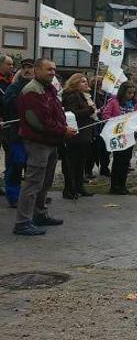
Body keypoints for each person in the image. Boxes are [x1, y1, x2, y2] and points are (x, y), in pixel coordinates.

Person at [13, 58, 76, 236]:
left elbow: (55, 113)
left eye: (54, 70)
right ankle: (22, 222)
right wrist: (63, 130)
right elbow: (38, 122)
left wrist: (62, 129)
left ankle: (39, 214)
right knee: (33, 183)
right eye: (48, 69)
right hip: (38, 143)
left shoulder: (48, 89)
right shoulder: (32, 91)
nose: (52, 72)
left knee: (45, 182)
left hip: (50, 142)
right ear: (37, 70)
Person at [103, 81, 137, 195]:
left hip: (130, 135)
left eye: (133, 93)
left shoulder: (136, 103)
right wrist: (116, 121)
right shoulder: (114, 102)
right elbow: (105, 115)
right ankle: (114, 186)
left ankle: (122, 185)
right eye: (129, 93)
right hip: (118, 134)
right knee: (118, 160)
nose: (131, 95)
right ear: (123, 92)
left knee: (126, 160)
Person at [60, 73, 97, 199]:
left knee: (80, 163)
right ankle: (70, 189)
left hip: (83, 134)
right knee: (72, 163)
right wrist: (90, 110)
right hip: (76, 134)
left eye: (86, 81)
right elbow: (72, 113)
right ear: (75, 83)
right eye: (82, 81)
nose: (86, 83)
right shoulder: (72, 96)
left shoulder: (82, 95)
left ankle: (78, 186)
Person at [3, 59, 33, 207]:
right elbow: (8, 105)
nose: (27, 70)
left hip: (36, 136)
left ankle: (32, 195)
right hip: (17, 134)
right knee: (17, 164)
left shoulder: (43, 87)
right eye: (24, 67)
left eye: (31, 67)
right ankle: (13, 196)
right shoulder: (15, 87)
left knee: (33, 167)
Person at [89, 75, 111, 178]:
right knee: (94, 148)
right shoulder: (92, 95)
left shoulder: (107, 95)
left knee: (105, 148)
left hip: (105, 124)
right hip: (96, 124)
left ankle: (105, 168)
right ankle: (88, 169)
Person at [0, 54, 14, 196]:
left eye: (12, 65)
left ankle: (9, 182)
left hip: (8, 124)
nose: (11, 67)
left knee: (10, 155)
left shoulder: (11, 81)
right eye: (8, 64)